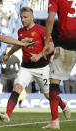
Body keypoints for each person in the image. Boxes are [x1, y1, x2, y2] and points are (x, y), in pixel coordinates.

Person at [0, 7, 70, 123]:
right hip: (26, 68)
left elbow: (51, 47)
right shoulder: (20, 31)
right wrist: (8, 54)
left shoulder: (42, 30)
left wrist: (39, 55)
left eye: (25, 17)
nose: (23, 19)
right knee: (17, 88)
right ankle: (7, 115)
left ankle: (63, 105)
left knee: (48, 95)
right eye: (21, 17)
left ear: (32, 17)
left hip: (42, 68)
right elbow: (19, 44)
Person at [42, 0, 76, 129]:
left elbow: (50, 19)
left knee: (54, 83)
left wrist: (47, 42)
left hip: (67, 43)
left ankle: (55, 121)